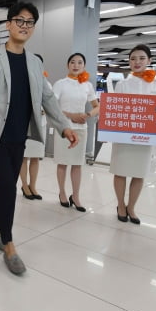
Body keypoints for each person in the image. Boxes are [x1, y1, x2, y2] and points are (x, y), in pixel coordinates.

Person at [0, 2, 78, 276]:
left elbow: (47, 98)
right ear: (8, 24)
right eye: (19, 20)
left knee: (5, 187)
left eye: (30, 22)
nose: (24, 26)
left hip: (19, 135)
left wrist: (64, 127)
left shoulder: (35, 63)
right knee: (8, 188)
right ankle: (9, 243)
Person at [111, 44, 156, 224]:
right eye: (133, 58)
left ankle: (131, 207)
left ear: (149, 61)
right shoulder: (122, 84)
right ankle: (120, 204)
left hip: (145, 137)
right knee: (120, 171)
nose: (137, 62)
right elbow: (115, 109)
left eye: (142, 58)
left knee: (138, 173)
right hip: (124, 136)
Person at [52, 53, 100, 212]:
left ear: (84, 66)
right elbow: (53, 107)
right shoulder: (60, 83)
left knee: (78, 164)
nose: (76, 65)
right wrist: (72, 116)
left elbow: (97, 106)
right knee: (63, 162)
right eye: (72, 62)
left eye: (80, 63)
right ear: (68, 65)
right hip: (64, 128)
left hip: (81, 129)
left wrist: (87, 115)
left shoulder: (87, 85)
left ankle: (76, 196)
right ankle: (62, 193)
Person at [19, 54, 47, 200]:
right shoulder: (21, 81)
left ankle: (33, 185)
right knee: (23, 157)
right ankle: (24, 185)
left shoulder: (45, 82)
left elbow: (50, 102)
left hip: (40, 124)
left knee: (35, 157)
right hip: (24, 125)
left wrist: (44, 109)